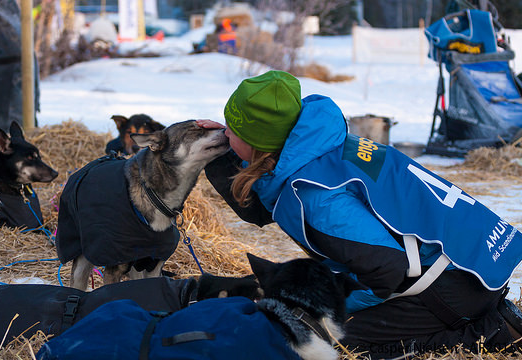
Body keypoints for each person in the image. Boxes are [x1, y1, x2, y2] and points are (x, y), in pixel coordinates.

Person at [197, 70, 522, 358]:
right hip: (476, 259)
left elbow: (390, 271)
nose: (225, 133)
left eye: (232, 129)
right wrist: (217, 154)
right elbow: (263, 198)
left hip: (452, 285)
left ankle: (494, 332)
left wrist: (326, 310)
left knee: (326, 345)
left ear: (257, 142)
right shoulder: (320, 145)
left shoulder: (318, 199)